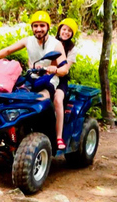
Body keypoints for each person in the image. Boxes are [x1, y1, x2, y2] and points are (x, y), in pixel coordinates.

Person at [0, 11, 69, 149]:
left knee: (42, 100)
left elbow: (65, 70)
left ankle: (55, 137)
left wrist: (54, 70)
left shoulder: (56, 44)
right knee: (13, 98)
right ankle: (8, 131)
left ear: (48, 27)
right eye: (35, 26)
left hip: (50, 80)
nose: (38, 29)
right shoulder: (28, 41)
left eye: (42, 25)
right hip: (32, 78)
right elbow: (8, 50)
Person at [46, 18, 78, 150]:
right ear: (59, 29)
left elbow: (65, 70)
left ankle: (58, 136)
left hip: (60, 78)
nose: (66, 32)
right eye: (64, 29)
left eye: (69, 31)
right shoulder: (49, 42)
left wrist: (55, 70)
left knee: (58, 100)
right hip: (43, 76)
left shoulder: (72, 49)